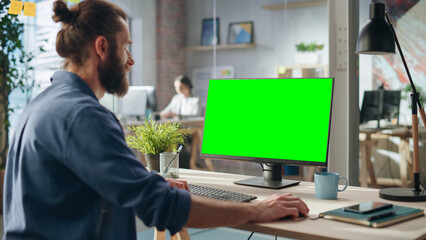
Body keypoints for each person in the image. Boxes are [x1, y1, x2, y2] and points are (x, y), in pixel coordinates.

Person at [3, 1, 309, 239]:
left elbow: (79, 185)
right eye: (126, 47)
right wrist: (255, 210)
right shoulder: (84, 116)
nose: (130, 60)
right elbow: (161, 206)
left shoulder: (39, 105)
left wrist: (150, 182)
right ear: (102, 47)